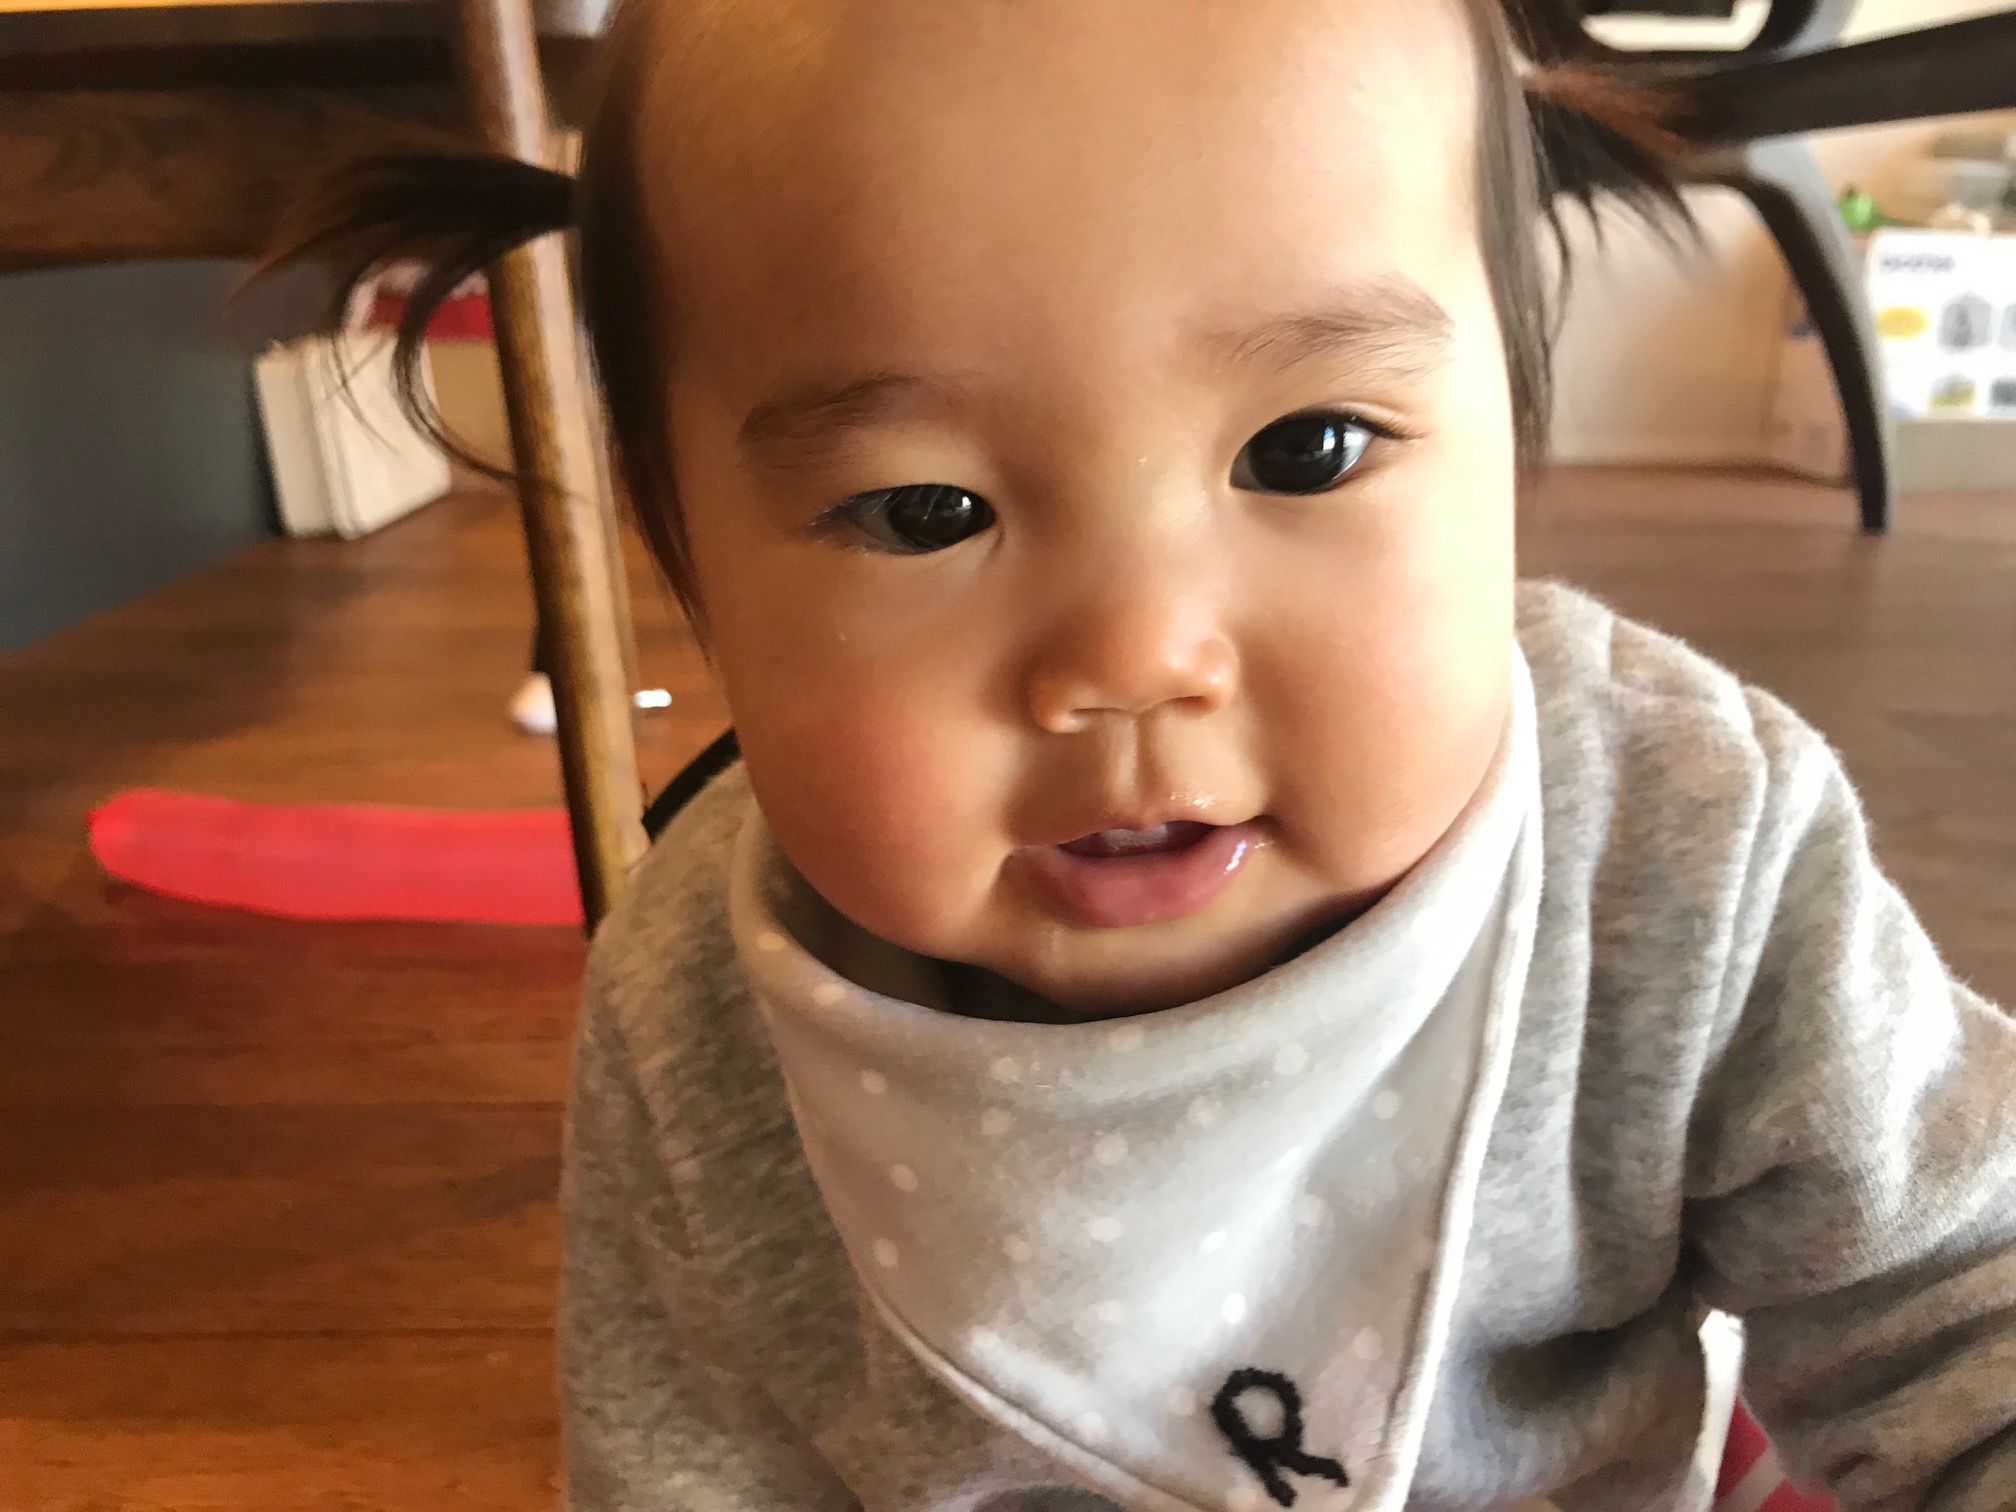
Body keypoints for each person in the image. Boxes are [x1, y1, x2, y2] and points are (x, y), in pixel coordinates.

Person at [262, 0, 2016, 1507]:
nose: (1132, 658)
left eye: (1308, 447)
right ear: (688, 568)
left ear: (1508, 427)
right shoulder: (705, 1006)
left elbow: (1964, 1314)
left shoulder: (1681, 840)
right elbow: (689, 1466)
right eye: (924, 509)